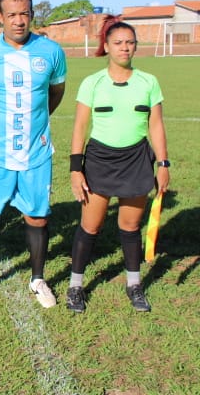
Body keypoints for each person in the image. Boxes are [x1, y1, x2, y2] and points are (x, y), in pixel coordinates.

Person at [0, 0, 66, 308]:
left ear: (32, 15)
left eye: (24, 14)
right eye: (11, 15)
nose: (18, 21)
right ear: (0, 18)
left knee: (37, 218)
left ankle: (38, 279)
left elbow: (56, 92)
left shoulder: (51, 51)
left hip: (36, 151)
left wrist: (35, 121)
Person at [66, 18, 169, 313]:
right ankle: (75, 287)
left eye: (130, 42)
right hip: (99, 161)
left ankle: (134, 285)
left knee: (130, 226)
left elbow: (157, 125)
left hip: (137, 159)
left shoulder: (148, 82)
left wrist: (163, 163)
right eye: (119, 43)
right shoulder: (92, 83)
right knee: (90, 226)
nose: (125, 48)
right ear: (107, 46)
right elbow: (79, 128)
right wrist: (76, 169)